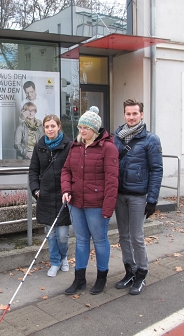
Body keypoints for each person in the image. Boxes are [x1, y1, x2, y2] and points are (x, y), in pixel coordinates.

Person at [61, 107, 119, 295]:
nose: (82, 131)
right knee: (81, 240)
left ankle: (101, 277)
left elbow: (112, 180)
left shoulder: (108, 148)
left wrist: (108, 208)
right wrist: (67, 189)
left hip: (97, 204)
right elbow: (66, 170)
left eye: (86, 128)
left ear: (95, 129)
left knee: (100, 240)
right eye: (80, 127)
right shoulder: (75, 146)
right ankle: (80, 279)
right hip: (76, 202)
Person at [113, 98, 163, 295]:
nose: (131, 117)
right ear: (124, 115)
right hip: (120, 194)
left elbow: (157, 169)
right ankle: (130, 270)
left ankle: (142, 272)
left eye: (135, 113)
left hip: (138, 196)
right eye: (128, 113)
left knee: (137, 236)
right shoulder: (116, 137)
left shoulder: (151, 140)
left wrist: (152, 200)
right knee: (123, 235)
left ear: (141, 115)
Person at [29, 114, 72, 277]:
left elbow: (73, 169)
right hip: (45, 196)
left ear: (59, 126)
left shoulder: (68, 145)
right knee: (51, 234)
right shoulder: (40, 146)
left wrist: (69, 190)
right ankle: (55, 262)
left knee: (62, 235)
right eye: (47, 127)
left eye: (53, 126)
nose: (50, 129)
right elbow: (33, 170)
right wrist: (36, 190)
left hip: (62, 195)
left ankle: (64, 257)